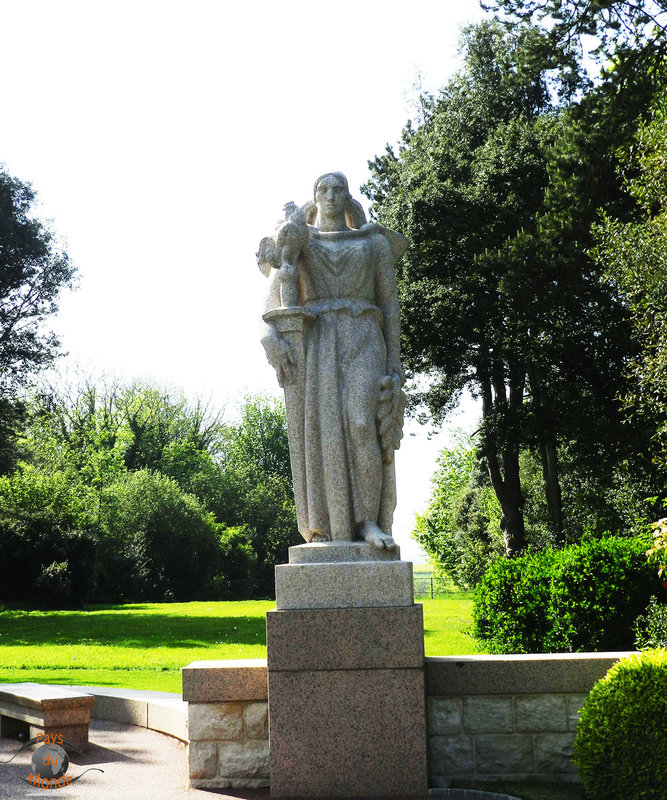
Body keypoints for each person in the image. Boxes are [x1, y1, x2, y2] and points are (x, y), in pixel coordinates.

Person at [259, 172, 407, 550]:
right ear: (314, 196)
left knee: (362, 424)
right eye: (323, 189)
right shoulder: (299, 241)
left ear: (347, 196)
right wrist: (269, 338)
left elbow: (389, 304)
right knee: (322, 437)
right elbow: (272, 298)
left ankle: (369, 522)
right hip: (318, 342)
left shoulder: (373, 243)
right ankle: (331, 525)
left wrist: (395, 360)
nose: (330, 196)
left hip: (363, 335)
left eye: (338, 189)